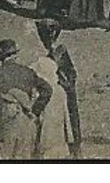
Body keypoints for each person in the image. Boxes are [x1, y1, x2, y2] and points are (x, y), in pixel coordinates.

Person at [0, 39, 52, 160]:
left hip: (1, 126)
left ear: (0, 55)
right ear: (15, 54)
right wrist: (35, 111)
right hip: (24, 125)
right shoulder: (28, 72)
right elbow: (47, 90)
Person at [34, 20, 81, 156]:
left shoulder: (60, 50)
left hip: (61, 90)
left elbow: (71, 72)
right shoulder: (48, 51)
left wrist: (64, 83)